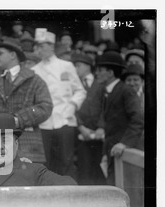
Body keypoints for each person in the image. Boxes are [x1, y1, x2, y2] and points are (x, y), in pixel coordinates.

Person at [0, 39, 53, 164]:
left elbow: (45, 106)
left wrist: (17, 120)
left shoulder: (34, 79)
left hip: (28, 144)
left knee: (28, 179)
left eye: (0, 53)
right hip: (1, 146)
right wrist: (0, 122)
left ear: (13, 55)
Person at [32, 29, 86, 178]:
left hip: (64, 120)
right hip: (44, 123)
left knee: (66, 161)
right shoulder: (34, 70)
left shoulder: (66, 66)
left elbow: (80, 91)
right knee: (45, 162)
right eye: (37, 46)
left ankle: (70, 196)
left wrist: (71, 107)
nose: (39, 49)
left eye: (42, 46)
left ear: (51, 46)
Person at [0, 113, 77, 187]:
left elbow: (70, 185)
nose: (0, 146)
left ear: (16, 144)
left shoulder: (34, 172)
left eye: (5, 141)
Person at [94, 51, 144, 185]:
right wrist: (105, 152)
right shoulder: (108, 91)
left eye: (100, 70)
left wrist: (125, 143)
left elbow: (138, 120)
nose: (97, 73)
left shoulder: (126, 90)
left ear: (110, 73)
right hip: (113, 151)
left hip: (124, 151)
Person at [71, 53, 106, 185]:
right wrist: (80, 127)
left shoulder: (100, 85)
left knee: (99, 167)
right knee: (84, 168)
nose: (76, 69)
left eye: (78, 65)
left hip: (99, 134)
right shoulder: (73, 85)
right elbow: (71, 108)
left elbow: (105, 107)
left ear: (88, 66)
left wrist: (101, 127)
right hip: (81, 133)